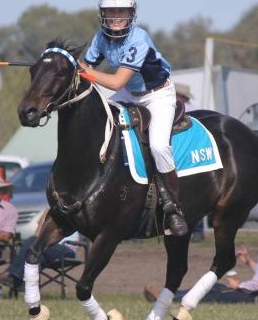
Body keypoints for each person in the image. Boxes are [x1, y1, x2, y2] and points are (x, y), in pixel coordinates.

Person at [78, 0, 187, 237]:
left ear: (131, 14)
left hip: (156, 95)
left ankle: (173, 209)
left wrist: (83, 71)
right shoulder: (100, 38)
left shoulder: (139, 38)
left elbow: (116, 82)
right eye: (111, 12)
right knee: (101, 122)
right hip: (130, 93)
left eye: (122, 12)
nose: (116, 17)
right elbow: (85, 64)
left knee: (158, 146)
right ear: (102, 14)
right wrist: (68, 65)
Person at [144, 219, 258, 303]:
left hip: (254, 296)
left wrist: (239, 286)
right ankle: (169, 296)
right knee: (214, 288)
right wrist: (249, 262)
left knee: (213, 293)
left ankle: (167, 298)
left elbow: (257, 283)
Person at [0, 209, 80, 288]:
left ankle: (12, 274)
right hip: (47, 249)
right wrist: (45, 218)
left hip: (66, 249)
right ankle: (27, 288)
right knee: (37, 257)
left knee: (33, 242)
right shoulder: (51, 211)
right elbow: (38, 235)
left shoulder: (71, 211)